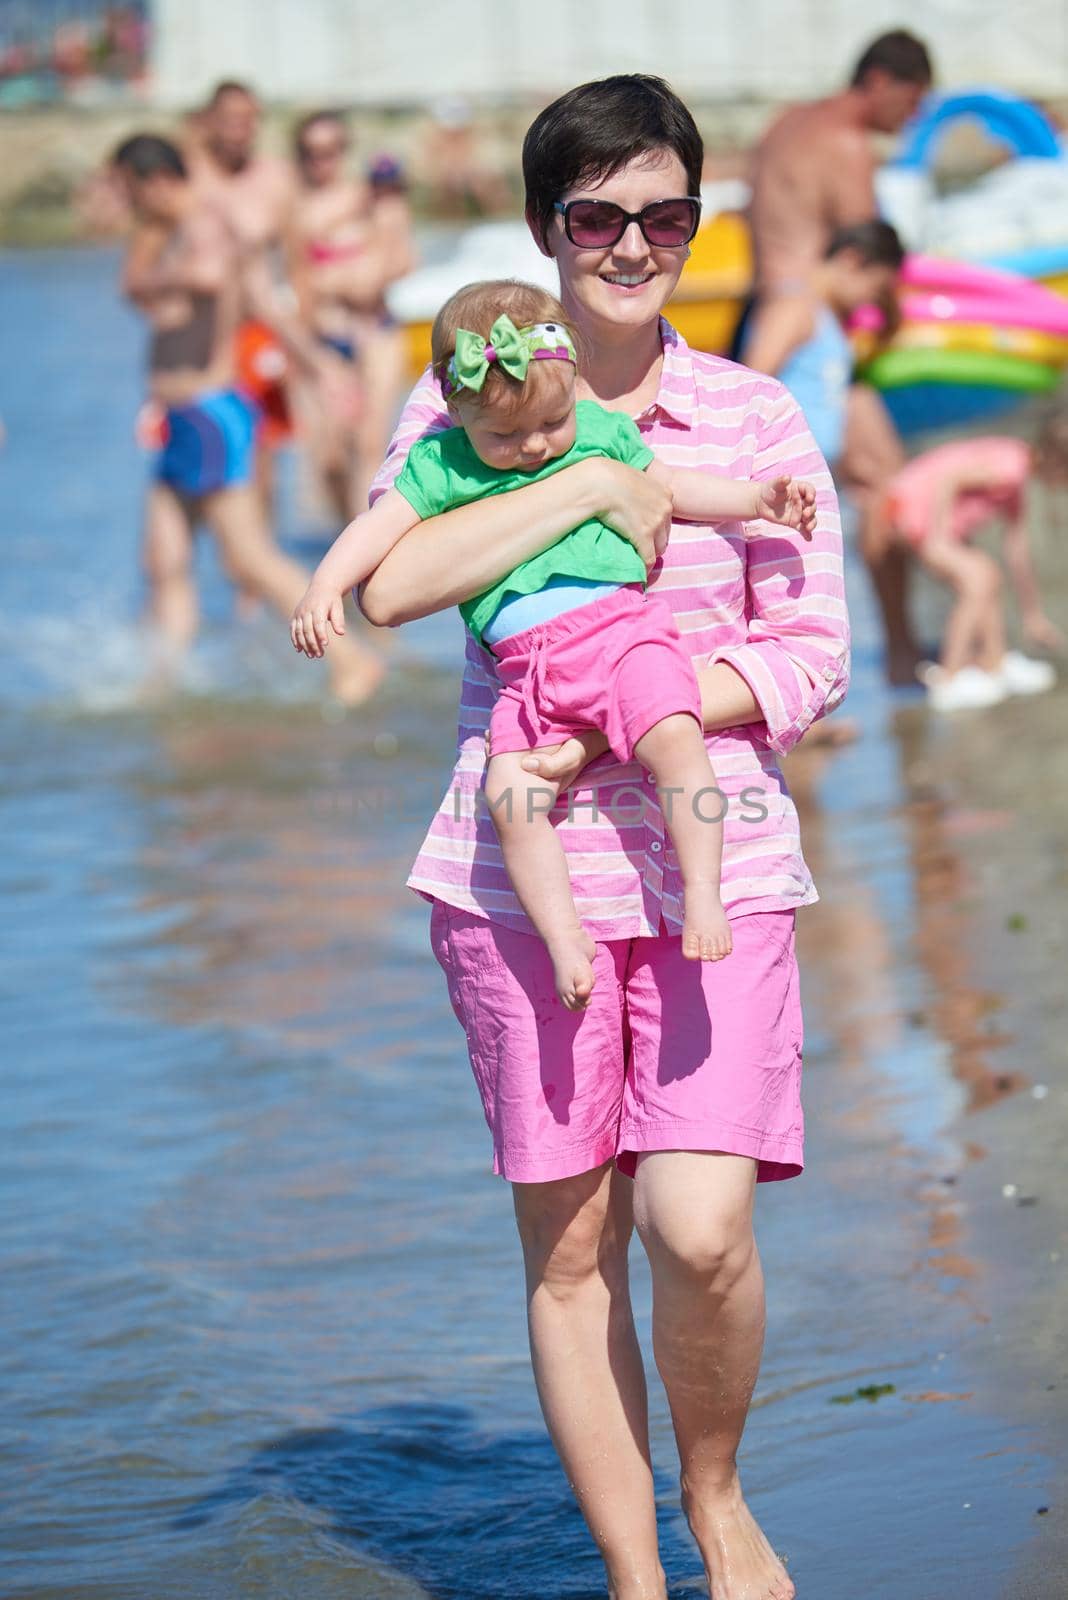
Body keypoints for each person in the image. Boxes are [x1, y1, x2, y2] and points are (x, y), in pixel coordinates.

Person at [351, 75, 849, 1600]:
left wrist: (624, 715)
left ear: (698, 227)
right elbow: (390, 584)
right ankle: (638, 1577)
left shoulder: (753, 413)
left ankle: (713, 1494)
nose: (633, 244)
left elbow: (812, 652)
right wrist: (585, 478)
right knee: (571, 1250)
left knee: (698, 1231)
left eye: (665, 216)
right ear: (545, 227)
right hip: (518, 880)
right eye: (598, 216)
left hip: (717, 856)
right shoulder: (453, 404)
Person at [291, 278, 817, 1008]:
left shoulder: (599, 430)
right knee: (509, 795)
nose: (534, 446)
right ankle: (563, 935)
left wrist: (755, 499)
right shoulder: (442, 464)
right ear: (457, 411)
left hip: (622, 638)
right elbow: (377, 538)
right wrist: (322, 587)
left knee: (677, 744)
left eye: (551, 423)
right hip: (529, 674)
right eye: (505, 437)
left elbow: (674, 486)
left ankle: (703, 893)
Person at [112, 133, 382, 705]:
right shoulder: (173, 231)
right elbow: (260, 301)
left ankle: (352, 660)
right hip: (180, 419)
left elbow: (213, 279)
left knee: (250, 556)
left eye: (128, 189)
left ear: (155, 181)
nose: (127, 203)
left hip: (212, 417)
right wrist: (319, 366)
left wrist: (146, 278)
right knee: (164, 560)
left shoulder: (206, 224)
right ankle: (162, 683)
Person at [744, 30, 933, 685]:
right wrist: (901, 319)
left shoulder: (783, 127)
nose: (908, 122)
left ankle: (786, 664)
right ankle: (904, 657)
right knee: (887, 486)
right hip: (813, 333)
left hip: (765, 307)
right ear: (882, 82)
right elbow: (871, 252)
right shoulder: (847, 145)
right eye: (911, 104)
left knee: (777, 509)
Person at [880, 419, 1067, 710]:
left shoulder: (1018, 470)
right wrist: (939, 538)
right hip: (911, 510)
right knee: (978, 580)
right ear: (1058, 464)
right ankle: (949, 677)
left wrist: (1032, 615)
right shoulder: (1011, 468)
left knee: (986, 572)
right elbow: (951, 479)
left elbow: (1016, 548)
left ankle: (995, 663)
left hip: (917, 511)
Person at [286, 110, 416, 518]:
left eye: (331, 151)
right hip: (323, 337)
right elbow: (297, 278)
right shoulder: (294, 210)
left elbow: (403, 258)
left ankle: (365, 546)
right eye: (312, 153)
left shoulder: (370, 198)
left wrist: (358, 280)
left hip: (373, 329)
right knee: (329, 458)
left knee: (369, 443)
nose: (322, 161)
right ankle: (347, 533)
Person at [745, 220, 906, 469]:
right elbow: (752, 384)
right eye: (876, 290)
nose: (869, 303)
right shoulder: (795, 307)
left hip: (810, 472)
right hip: (781, 470)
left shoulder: (828, 318)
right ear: (851, 260)